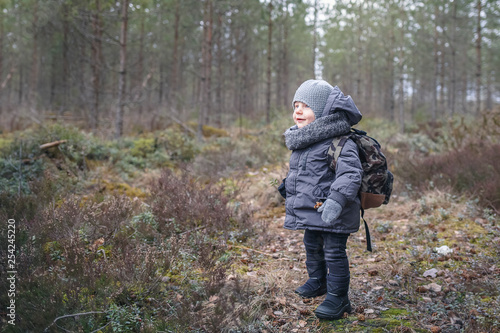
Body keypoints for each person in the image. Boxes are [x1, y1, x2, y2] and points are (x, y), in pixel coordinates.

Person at [278, 79, 363, 320]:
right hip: (313, 210)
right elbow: (304, 172)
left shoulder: (340, 141)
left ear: (324, 111)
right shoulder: (304, 140)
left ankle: (339, 297)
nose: (298, 111)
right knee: (311, 245)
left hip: (335, 210)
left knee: (334, 252)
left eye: (306, 106)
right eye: (296, 106)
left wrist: (336, 200)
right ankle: (318, 281)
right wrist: (288, 186)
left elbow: (350, 174)